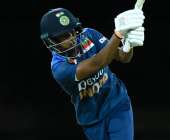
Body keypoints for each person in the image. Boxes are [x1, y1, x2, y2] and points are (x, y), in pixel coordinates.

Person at [40, 7, 145, 140]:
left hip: (117, 103)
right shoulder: (59, 68)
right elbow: (97, 63)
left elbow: (123, 57)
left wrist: (128, 44)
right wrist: (118, 34)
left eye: (72, 31)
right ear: (52, 41)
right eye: (65, 35)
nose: (72, 37)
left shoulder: (89, 34)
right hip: (92, 120)